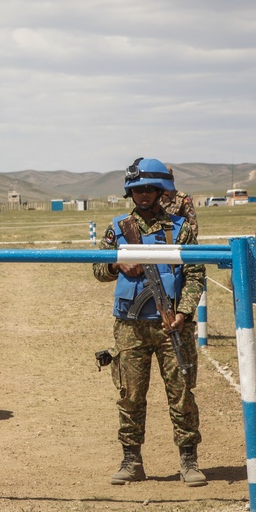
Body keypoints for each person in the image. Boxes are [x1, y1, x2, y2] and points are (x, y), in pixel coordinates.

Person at [92, 157, 207, 486]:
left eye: (150, 189)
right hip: (131, 327)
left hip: (174, 325)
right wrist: (117, 265)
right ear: (130, 192)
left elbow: (195, 274)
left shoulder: (179, 229)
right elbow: (97, 269)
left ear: (161, 191)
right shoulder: (117, 229)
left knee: (182, 395)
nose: (144, 195)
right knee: (130, 395)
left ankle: (188, 460)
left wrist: (183, 313)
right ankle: (131, 460)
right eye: (138, 189)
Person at [159, 167, 199, 238]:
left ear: (173, 180)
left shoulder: (183, 199)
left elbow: (193, 224)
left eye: (167, 179)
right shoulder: (155, 198)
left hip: (178, 241)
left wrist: (188, 243)